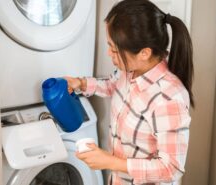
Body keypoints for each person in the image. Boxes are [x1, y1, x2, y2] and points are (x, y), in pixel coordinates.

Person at [65, 0, 194, 184]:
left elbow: (170, 168)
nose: (109, 53)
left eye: (114, 49)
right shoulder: (129, 70)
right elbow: (112, 84)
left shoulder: (168, 98)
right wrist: (82, 84)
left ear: (144, 53)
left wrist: (111, 162)